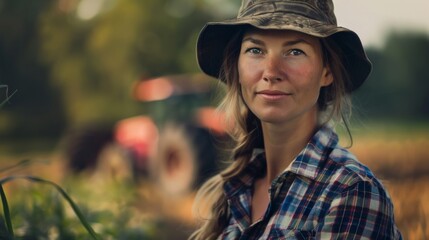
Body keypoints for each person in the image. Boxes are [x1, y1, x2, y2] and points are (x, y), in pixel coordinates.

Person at [191, 0, 402, 239]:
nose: (271, 72)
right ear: (237, 68)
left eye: (295, 52)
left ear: (327, 72)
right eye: (255, 50)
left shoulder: (351, 191)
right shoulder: (234, 191)